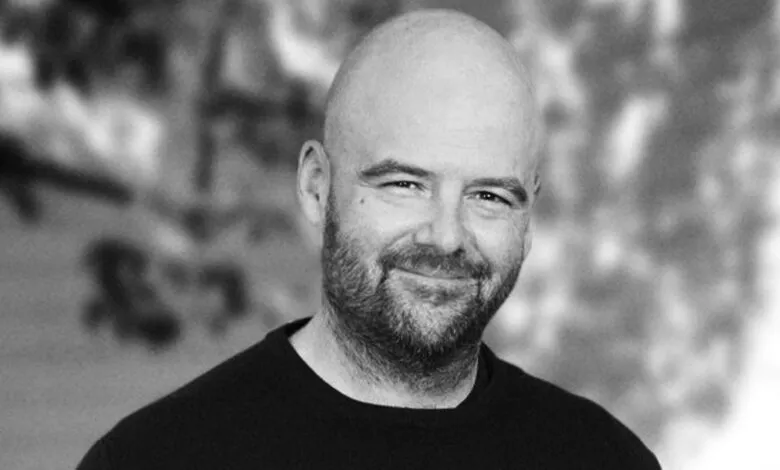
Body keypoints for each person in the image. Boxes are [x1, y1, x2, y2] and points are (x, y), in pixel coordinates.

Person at [77, 9, 662, 470]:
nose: (446, 236)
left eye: (489, 196)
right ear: (316, 186)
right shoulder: (155, 459)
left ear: (528, 219)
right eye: (404, 184)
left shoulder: (604, 459)